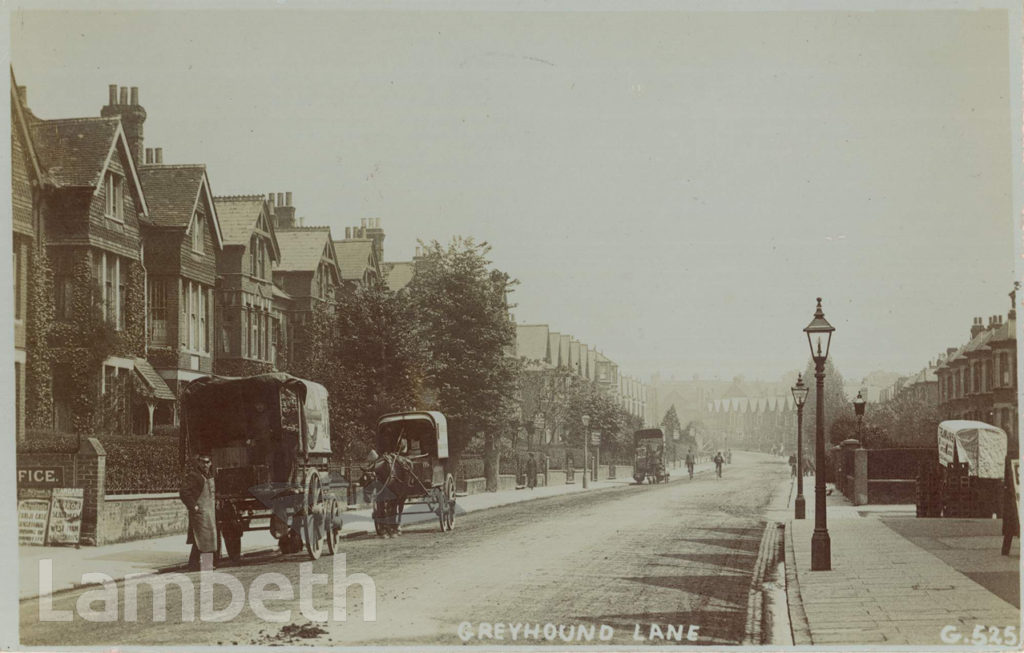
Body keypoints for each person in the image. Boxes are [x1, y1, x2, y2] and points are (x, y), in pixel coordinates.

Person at [180, 453, 217, 570]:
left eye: (207, 462)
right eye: (203, 462)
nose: (205, 465)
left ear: (210, 463)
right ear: (199, 463)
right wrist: (193, 506)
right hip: (200, 513)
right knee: (202, 538)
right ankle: (203, 564)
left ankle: (195, 564)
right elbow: (184, 492)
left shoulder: (209, 475)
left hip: (209, 513)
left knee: (206, 539)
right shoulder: (194, 476)